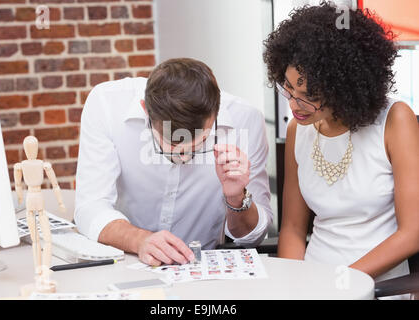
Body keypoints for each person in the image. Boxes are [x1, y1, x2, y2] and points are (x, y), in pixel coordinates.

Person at [263, 2, 419, 297]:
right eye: (288, 88)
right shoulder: (298, 130)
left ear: (344, 89)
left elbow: (412, 234)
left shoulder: (396, 121)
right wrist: (292, 289)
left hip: (377, 286)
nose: (293, 105)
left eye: (308, 96)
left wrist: (341, 284)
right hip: (313, 283)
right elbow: (294, 229)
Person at [75, 58, 272, 266]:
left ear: (215, 114)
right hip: (126, 262)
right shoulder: (107, 104)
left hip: (200, 270)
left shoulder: (246, 120)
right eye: (169, 145)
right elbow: (90, 208)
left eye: (199, 143)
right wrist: (140, 240)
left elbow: (253, 237)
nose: (184, 157)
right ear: (145, 110)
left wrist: (236, 198)